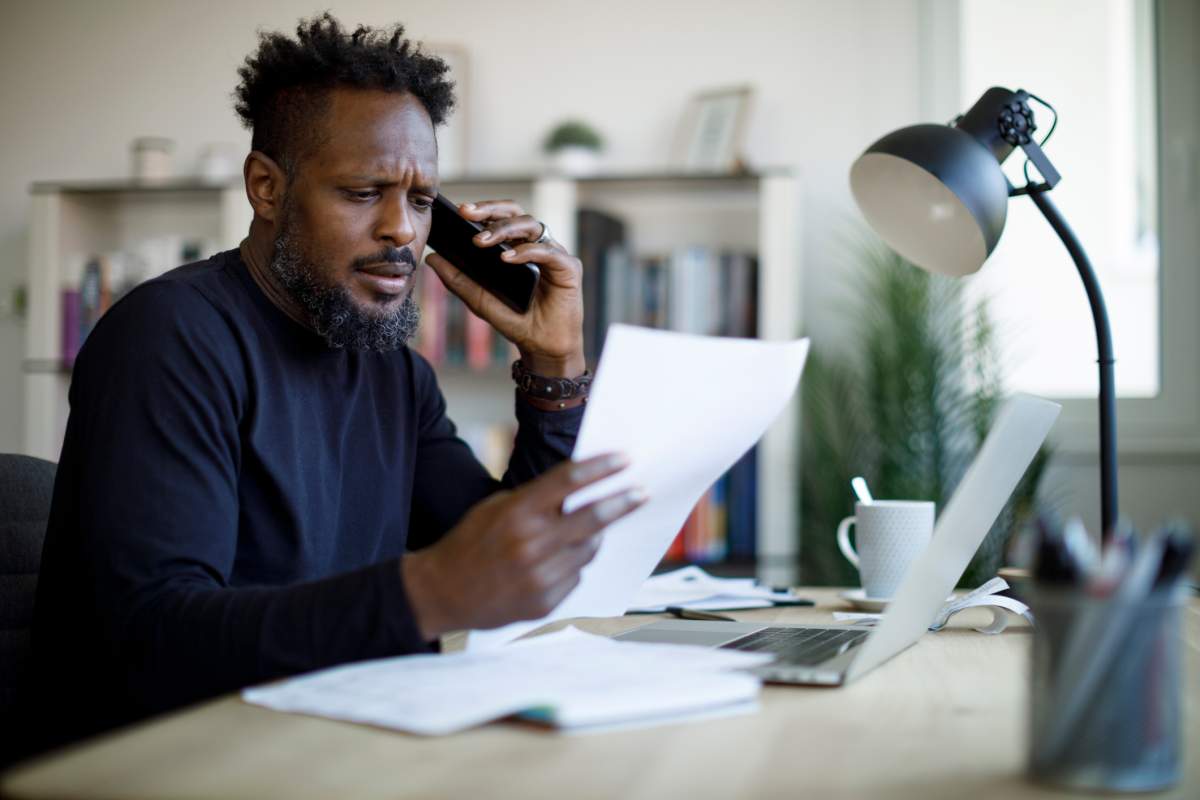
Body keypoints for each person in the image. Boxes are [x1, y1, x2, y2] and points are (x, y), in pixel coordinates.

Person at [26, 13, 646, 753]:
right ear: (266, 188)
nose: (403, 232)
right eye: (362, 192)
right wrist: (425, 593)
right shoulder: (167, 338)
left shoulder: (393, 372)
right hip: (173, 765)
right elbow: (153, 639)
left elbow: (505, 569)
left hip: (334, 742)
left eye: (421, 201)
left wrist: (554, 365)